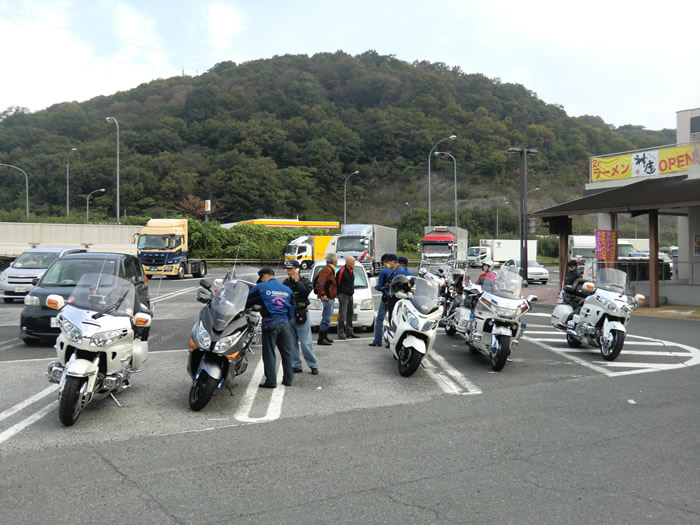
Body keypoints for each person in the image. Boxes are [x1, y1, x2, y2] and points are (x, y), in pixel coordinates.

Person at [246, 267, 295, 388]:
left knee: (269, 354)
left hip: (270, 323)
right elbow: (292, 308)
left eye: (261, 278)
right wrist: (285, 319)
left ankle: (271, 381)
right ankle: (288, 380)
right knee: (287, 353)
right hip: (284, 323)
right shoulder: (286, 289)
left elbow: (245, 299)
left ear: (264, 276)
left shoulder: (261, 287)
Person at [282, 260, 319, 375]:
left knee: (305, 342)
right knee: (291, 342)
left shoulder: (305, 281)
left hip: (301, 314)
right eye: (287, 269)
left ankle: (313, 365)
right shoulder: (285, 283)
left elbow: (305, 293)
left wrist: (297, 281)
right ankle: (296, 365)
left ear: (297, 269)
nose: (288, 271)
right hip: (289, 315)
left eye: (290, 269)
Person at [369, 253, 405, 346]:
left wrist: (377, 288)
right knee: (393, 319)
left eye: (387, 262)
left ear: (392, 262)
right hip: (398, 298)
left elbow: (379, 286)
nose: (387, 264)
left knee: (380, 319)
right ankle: (392, 341)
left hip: (387, 297)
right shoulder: (401, 270)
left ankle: (378, 340)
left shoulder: (384, 272)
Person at [314, 253, 338, 346]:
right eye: (336, 260)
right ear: (334, 261)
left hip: (330, 297)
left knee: (328, 317)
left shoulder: (330, 269)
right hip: (327, 297)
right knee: (326, 318)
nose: (337, 261)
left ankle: (325, 336)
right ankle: (321, 338)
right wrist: (323, 294)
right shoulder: (327, 270)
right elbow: (320, 283)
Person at [336, 255, 359, 340]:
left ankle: (349, 331)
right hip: (343, 294)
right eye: (352, 261)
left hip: (350, 294)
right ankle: (341, 332)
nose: (354, 263)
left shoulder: (351, 271)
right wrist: (338, 293)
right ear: (347, 262)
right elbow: (337, 282)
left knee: (350, 313)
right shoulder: (342, 271)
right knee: (342, 314)